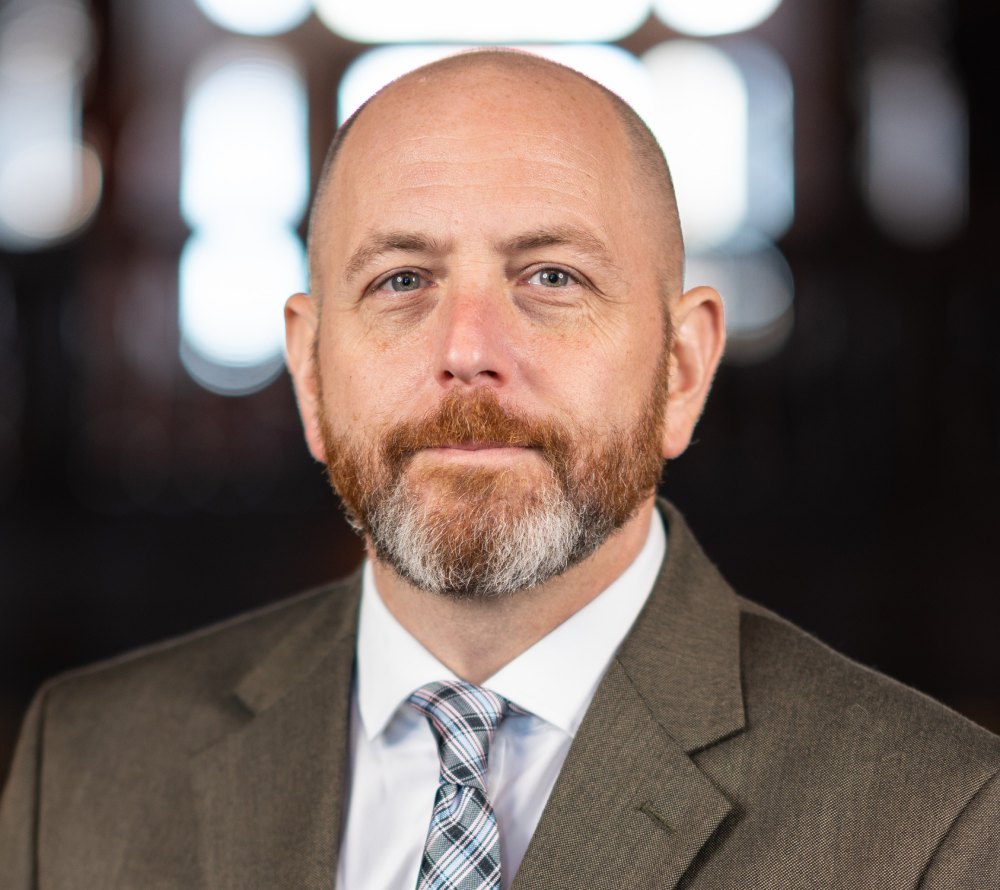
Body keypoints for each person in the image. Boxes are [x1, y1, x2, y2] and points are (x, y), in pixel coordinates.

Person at [1, 48, 998, 890]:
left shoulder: (935, 822)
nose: (467, 348)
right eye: (401, 279)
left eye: (551, 276)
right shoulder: (81, 769)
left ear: (683, 367)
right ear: (310, 371)